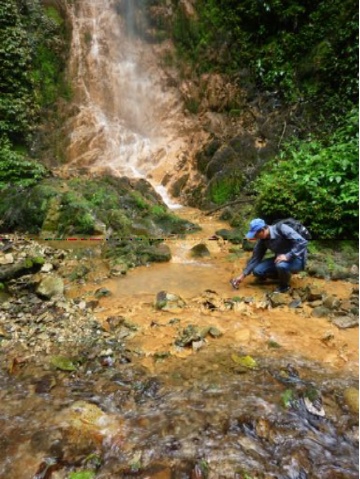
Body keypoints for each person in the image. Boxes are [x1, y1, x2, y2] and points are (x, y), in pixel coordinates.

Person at [230, 218, 308, 293]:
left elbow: (302, 242)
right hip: (280, 260)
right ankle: (282, 275)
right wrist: (242, 276)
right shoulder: (262, 240)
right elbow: (256, 258)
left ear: (262, 230)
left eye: (256, 234)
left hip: (297, 260)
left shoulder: (282, 228)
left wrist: (287, 256)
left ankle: (284, 287)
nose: (255, 237)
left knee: (281, 265)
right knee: (257, 271)